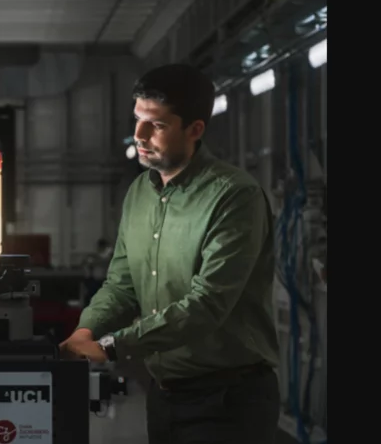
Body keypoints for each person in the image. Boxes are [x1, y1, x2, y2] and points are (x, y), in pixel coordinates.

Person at [59, 64, 281, 444]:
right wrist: (86, 329)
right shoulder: (139, 194)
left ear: (195, 130)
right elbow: (122, 283)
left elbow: (207, 303)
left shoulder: (234, 196)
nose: (139, 136)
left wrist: (112, 347)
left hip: (228, 401)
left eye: (157, 125)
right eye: (137, 120)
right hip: (163, 394)